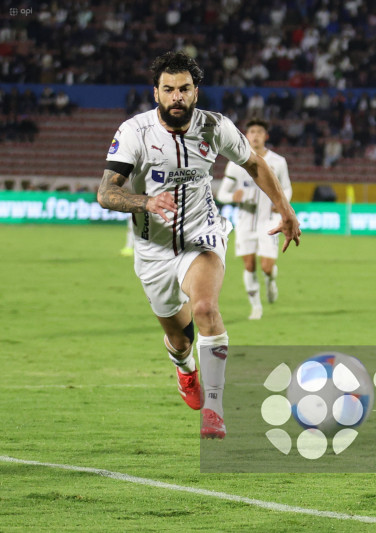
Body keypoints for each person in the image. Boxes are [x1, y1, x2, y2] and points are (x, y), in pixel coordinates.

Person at [98, 51, 301, 439]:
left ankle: (215, 409)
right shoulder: (133, 132)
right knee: (179, 338)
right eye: (169, 89)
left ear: (196, 91)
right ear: (155, 92)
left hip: (202, 234)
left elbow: (256, 164)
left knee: (206, 307)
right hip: (153, 250)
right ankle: (184, 366)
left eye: (184, 89)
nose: (177, 96)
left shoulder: (215, 126)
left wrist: (285, 209)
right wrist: (145, 202)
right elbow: (106, 192)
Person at [216, 118, 292, 320]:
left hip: (270, 221)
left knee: (267, 267)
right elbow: (222, 194)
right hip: (245, 221)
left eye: (259, 132)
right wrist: (233, 197)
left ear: (266, 136)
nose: (255, 135)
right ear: (246, 136)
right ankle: (256, 307)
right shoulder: (235, 164)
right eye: (252, 132)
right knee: (249, 265)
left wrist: (282, 203)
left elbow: (287, 188)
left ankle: (270, 280)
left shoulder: (278, 162)